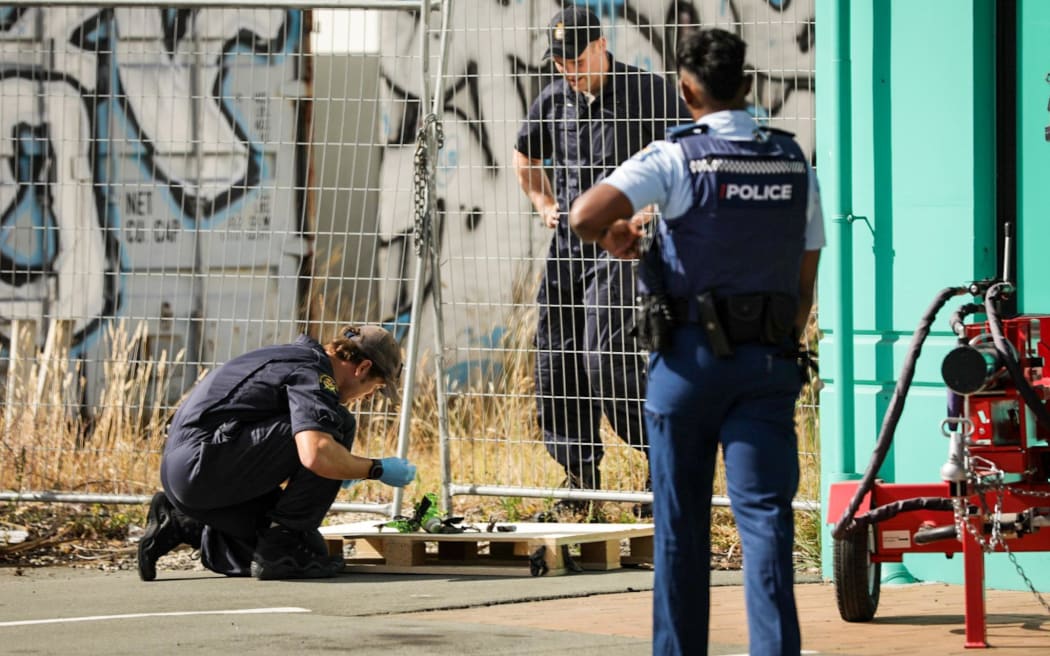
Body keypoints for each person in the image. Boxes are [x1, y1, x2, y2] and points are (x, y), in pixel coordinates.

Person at [569, 28, 825, 656]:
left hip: (688, 364)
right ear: (746, 85)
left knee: (680, 525)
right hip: (768, 363)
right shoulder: (795, 164)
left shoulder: (674, 158)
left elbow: (582, 216)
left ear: (687, 91)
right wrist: (776, 348)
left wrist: (621, 234)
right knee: (765, 521)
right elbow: (803, 281)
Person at [512, 6, 690, 512]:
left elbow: (685, 154)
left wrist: (655, 208)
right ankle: (579, 480)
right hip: (567, 249)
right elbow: (525, 154)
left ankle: (664, 461)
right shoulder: (553, 100)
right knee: (558, 359)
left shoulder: (649, 93)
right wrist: (544, 204)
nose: (570, 69)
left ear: (601, 45)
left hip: (625, 250)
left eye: (577, 58)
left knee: (605, 356)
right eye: (560, 62)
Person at [138, 325, 417, 581]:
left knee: (308, 551)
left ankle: (180, 523)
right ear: (363, 367)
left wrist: (341, 465)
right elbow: (316, 454)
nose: (368, 397)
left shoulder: (297, 358)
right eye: (375, 388)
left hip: (190, 475)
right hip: (201, 467)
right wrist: (375, 468)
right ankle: (284, 544)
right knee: (338, 424)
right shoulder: (314, 373)